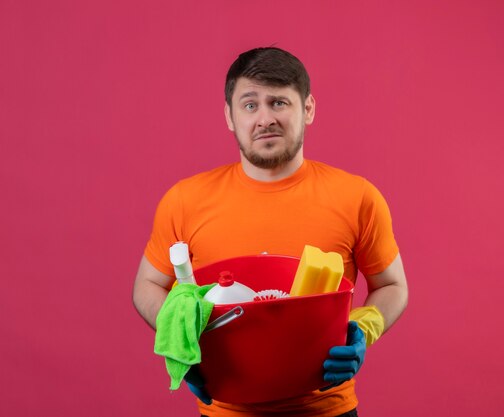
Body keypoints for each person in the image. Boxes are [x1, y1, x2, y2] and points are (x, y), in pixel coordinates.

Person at [132, 47, 409, 417]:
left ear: (307, 108)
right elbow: (146, 285)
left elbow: (393, 285)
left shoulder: (357, 197)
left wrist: (362, 328)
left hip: (326, 409)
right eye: (250, 105)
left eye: (279, 102)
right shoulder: (184, 201)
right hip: (225, 411)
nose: (265, 118)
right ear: (230, 116)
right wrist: (180, 338)